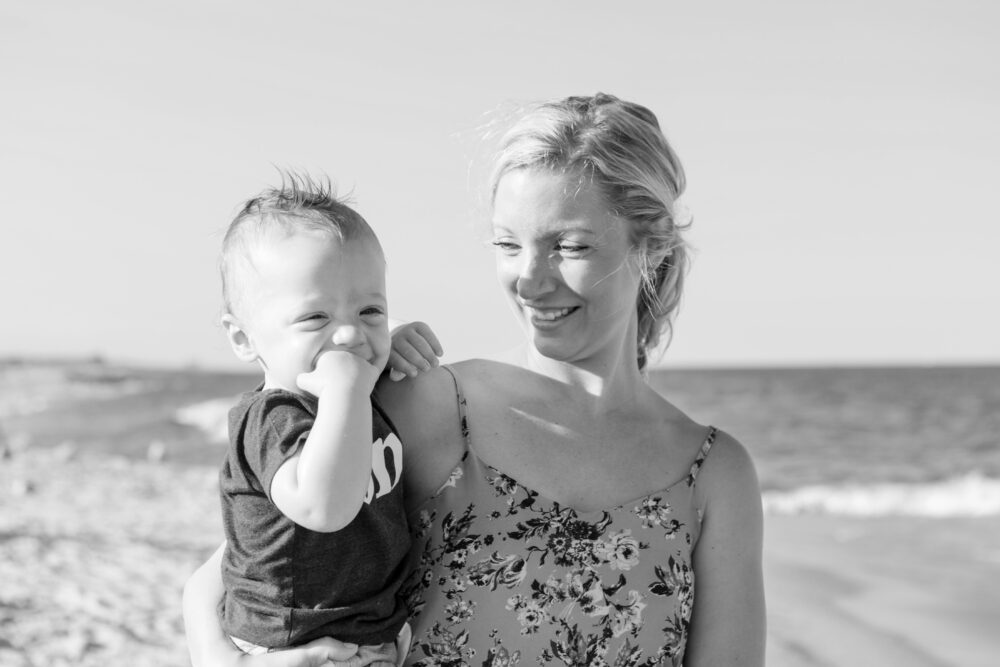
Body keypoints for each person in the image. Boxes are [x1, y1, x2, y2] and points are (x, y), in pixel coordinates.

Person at [184, 93, 766, 667]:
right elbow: (238, 573)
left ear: (652, 245)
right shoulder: (423, 403)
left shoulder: (714, 475)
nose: (529, 281)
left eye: (568, 246)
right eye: (509, 245)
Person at [209, 173, 436, 666]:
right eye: (315, 319)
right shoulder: (271, 419)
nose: (349, 335)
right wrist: (348, 387)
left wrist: (390, 340)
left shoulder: (354, 391)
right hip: (293, 644)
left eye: (371, 308)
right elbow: (325, 507)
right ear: (245, 339)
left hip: (365, 638)